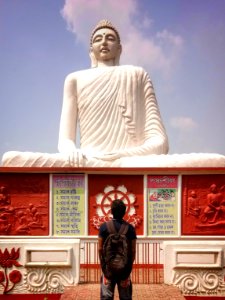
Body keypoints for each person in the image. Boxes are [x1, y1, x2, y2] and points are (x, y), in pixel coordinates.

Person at [2, 20, 225, 168]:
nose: (104, 42)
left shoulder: (137, 74)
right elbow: (65, 140)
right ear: (91, 50)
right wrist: (72, 151)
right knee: (12, 159)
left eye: (110, 38)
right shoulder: (75, 79)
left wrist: (124, 156)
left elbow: (160, 142)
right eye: (98, 39)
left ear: (120, 48)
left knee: (216, 162)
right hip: (89, 159)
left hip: (132, 161)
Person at [98, 199, 136, 300]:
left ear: (111, 211)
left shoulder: (104, 227)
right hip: (124, 270)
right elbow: (133, 251)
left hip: (108, 270)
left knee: (106, 297)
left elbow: (100, 248)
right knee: (125, 297)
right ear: (124, 212)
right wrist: (128, 267)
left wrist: (103, 265)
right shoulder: (130, 228)